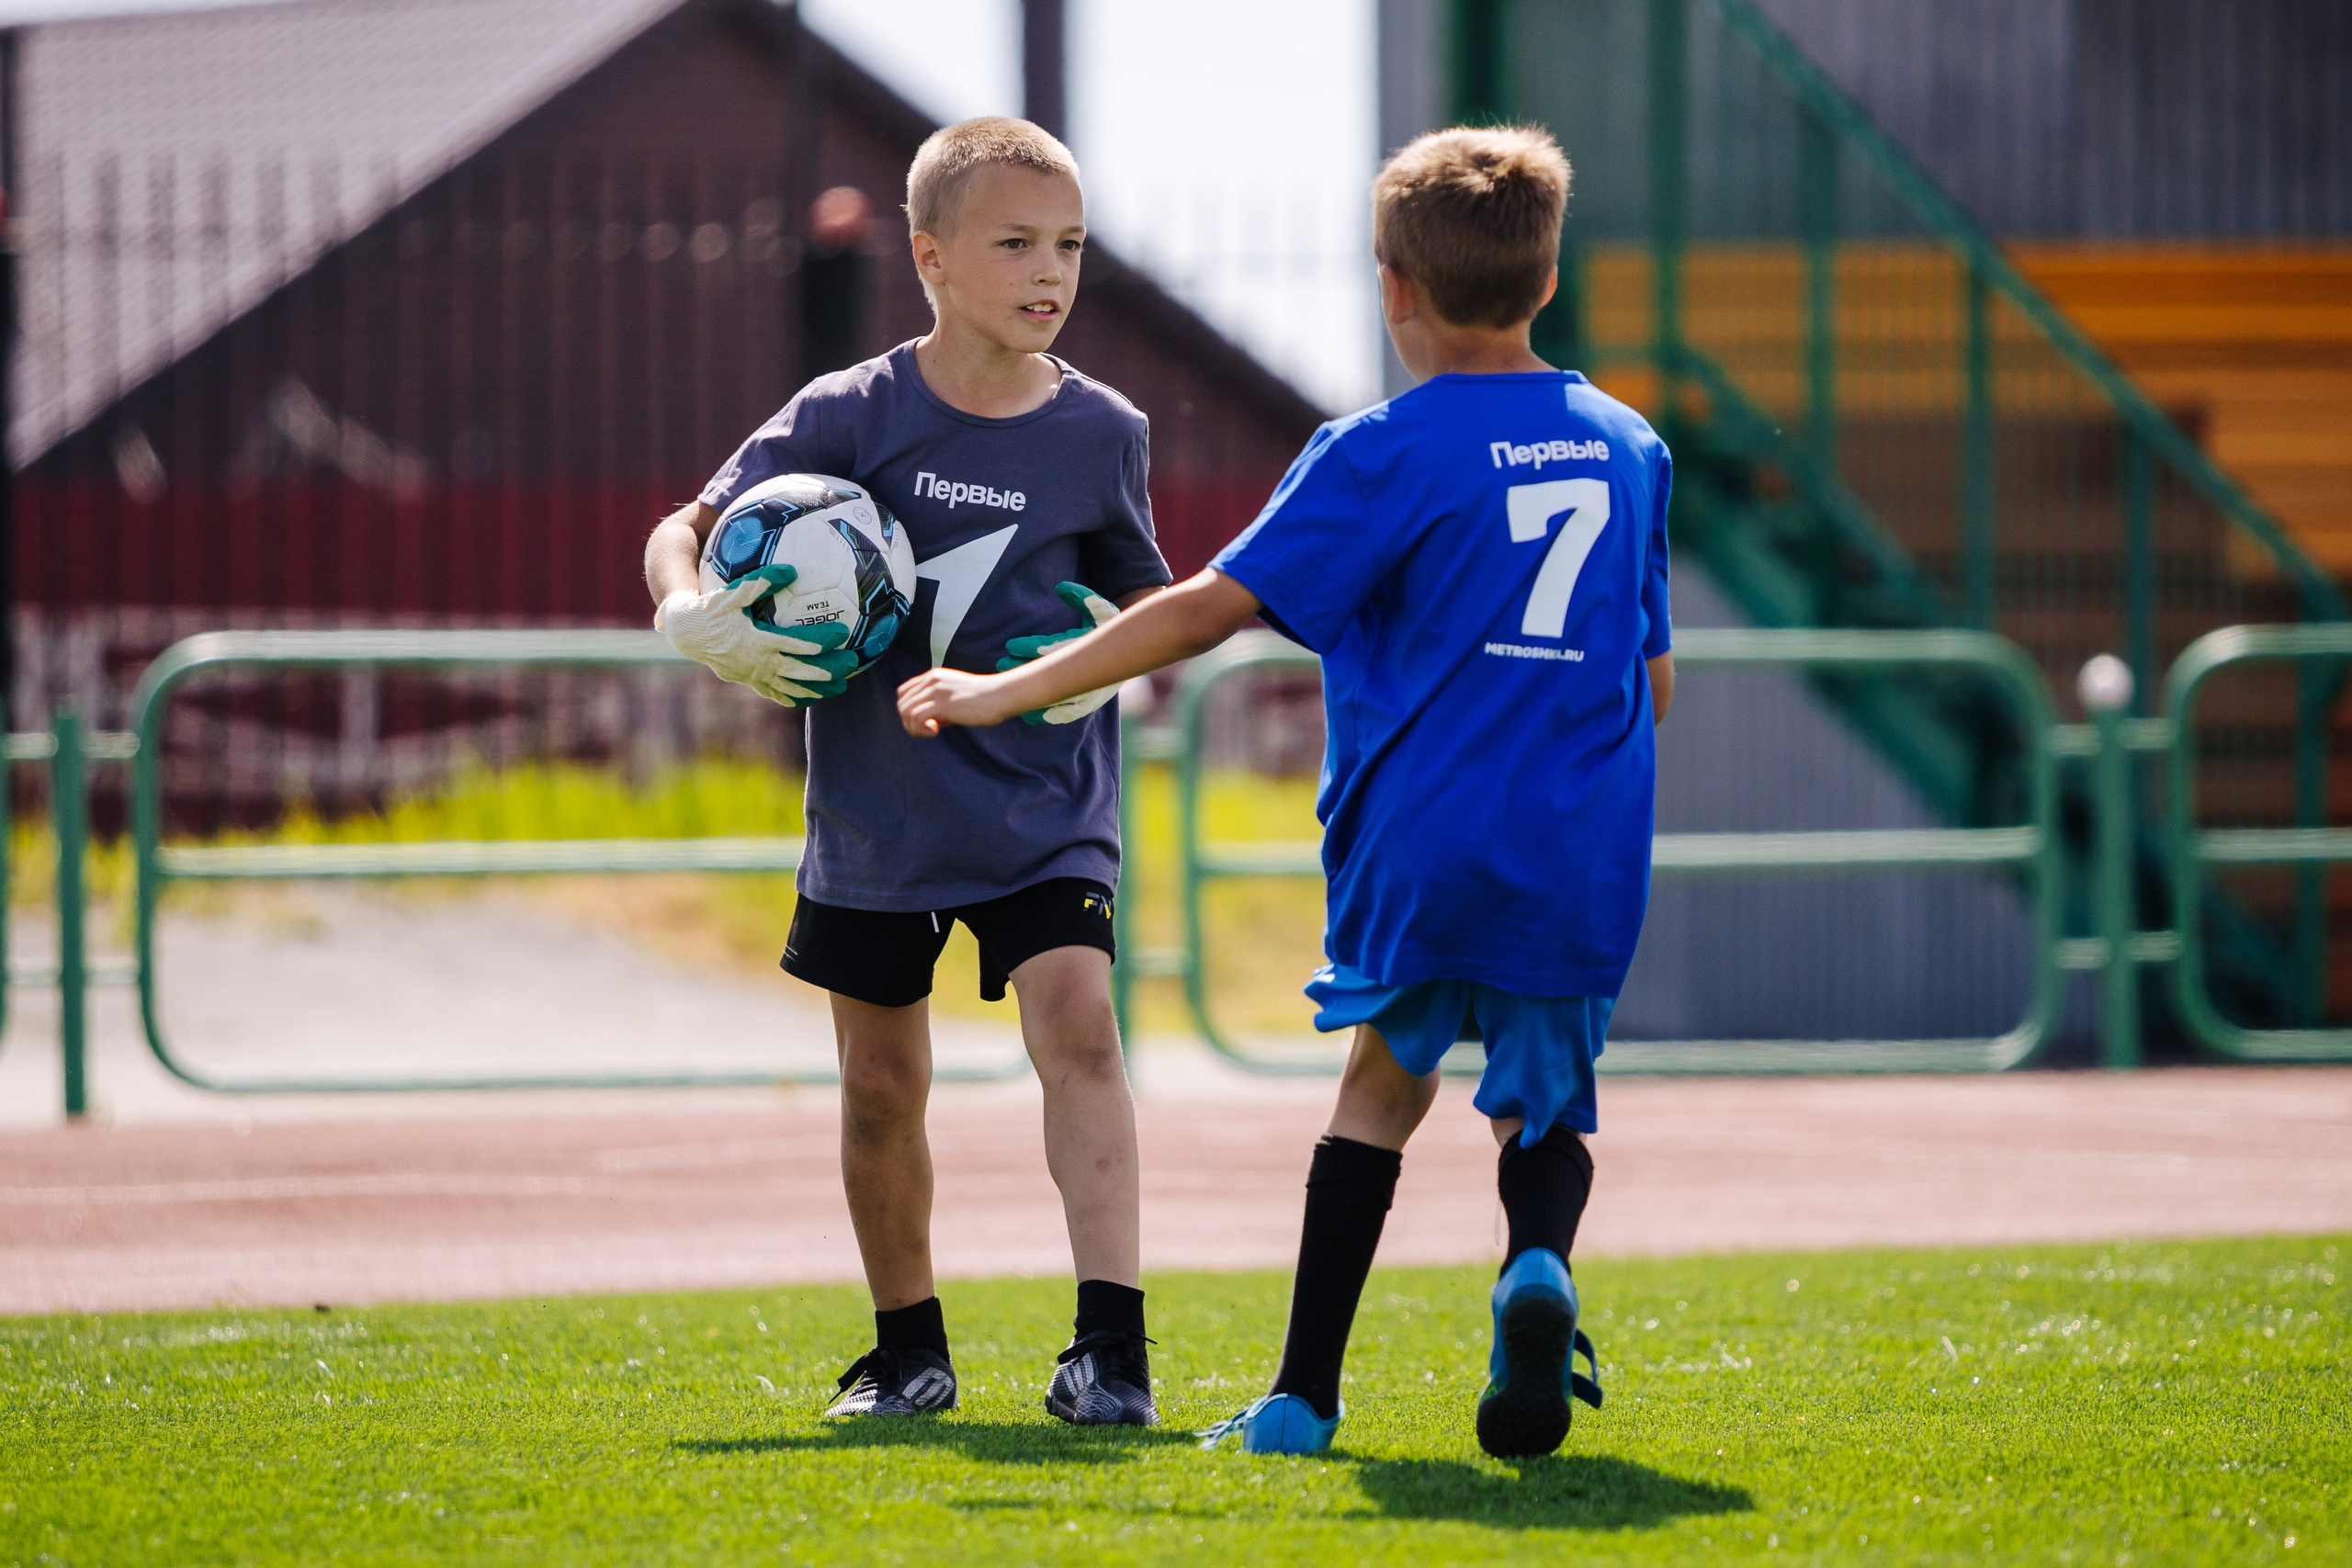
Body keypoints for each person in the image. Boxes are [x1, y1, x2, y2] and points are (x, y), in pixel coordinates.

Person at [898, 124, 1674, 1460]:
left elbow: (1206, 609)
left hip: (1424, 837)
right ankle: (1535, 1266)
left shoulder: (1378, 451)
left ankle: (1304, 1402)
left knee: (1378, 1090)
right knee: (1544, 1098)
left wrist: (1003, 688)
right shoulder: (1628, 446)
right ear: (1548, 283)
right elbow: (1655, 684)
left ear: (1393, 288)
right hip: (1577, 836)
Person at [643, 118, 1170, 1427]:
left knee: (1080, 1031)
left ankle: (1111, 1350)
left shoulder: (1104, 433)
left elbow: (1150, 617)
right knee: (883, 1087)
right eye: (1015, 244)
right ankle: (905, 1353)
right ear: (931, 258)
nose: (1050, 272)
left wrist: (1109, 670)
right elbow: (689, 529)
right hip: (878, 819)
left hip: (1049, 809)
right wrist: (688, 609)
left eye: (1070, 245)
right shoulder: (845, 413)